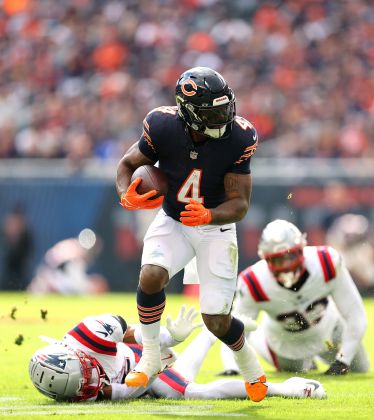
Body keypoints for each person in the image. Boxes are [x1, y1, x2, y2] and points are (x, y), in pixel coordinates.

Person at [116, 66, 266, 402]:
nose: (224, 116)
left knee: (216, 321)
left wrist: (210, 214)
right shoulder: (162, 125)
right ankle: (151, 357)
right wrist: (125, 193)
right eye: (214, 111)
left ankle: (252, 369)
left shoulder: (240, 137)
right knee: (152, 275)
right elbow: (127, 164)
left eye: (225, 107)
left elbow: (240, 203)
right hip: (174, 221)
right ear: (190, 114)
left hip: (216, 228)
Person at [29, 308, 326, 402]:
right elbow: (130, 390)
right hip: (134, 377)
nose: (88, 381)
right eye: (81, 384)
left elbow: (136, 334)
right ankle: (215, 331)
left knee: (184, 392)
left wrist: (170, 338)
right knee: (173, 383)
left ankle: (284, 389)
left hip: (144, 355)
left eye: (84, 372)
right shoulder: (73, 388)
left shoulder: (91, 332)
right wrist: (112, 391)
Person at [219, 219, 370, 376]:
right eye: (278, 259)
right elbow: (238, 328)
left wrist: (343, 360)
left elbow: (355, 314)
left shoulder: (327, 262)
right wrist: (232, 366)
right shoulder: (253, 282)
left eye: (290, 256)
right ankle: (261, 338)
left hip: (330, 330)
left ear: (301, 250)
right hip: (287, 346)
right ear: (265, 258)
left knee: (360, 369)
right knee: (297, 371)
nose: (286, 265)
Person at [27, 229, 108, 295]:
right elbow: (76, 282)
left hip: (46, 277)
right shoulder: (76, 253)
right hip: (49, 280)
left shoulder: (71, 246)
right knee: (98, 285)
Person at [1, 205, 33, 290]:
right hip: (5, 276)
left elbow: (24, 255)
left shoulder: (26, 237)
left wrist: (15, 237)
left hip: (20, 276)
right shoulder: (3, 236)